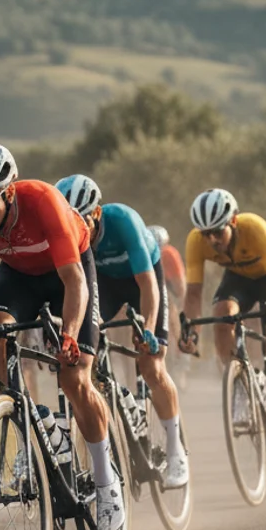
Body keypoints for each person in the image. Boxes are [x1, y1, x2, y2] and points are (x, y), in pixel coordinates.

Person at [0, 143, 125, 530]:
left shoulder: (44, 202)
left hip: (68, 271)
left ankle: (106, 480)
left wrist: (69, 336)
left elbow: (74, 283)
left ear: (10, 191)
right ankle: (29, 424)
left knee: (74, 379)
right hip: (18, 275)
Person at [55, 175, 189, 488]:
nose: (74, 227)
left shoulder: (124, 221)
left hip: (142, 279)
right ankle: (114, 409)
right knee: (86, 356)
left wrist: (149, 329)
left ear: (96, 214)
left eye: (81, 220)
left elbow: (149, 285)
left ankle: (175, 450)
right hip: (106, 284)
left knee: (151, 363)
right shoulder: (69, 237)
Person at [178, 189, 266, 457]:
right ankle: (238, 385)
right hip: (239, 278)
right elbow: (193, 293)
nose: (212, 239)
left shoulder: (255, 228)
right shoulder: (196, 241)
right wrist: (191, 331)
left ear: (233, 221)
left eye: (217, 231)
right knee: (221, 314)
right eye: (206, 234)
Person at [149, 224, 190, 384]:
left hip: (168, 292)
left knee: (174, 319)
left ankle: (180, 364)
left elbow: (180, 288)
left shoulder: (168, 254)